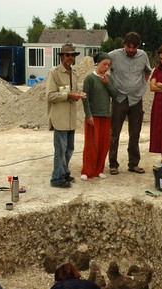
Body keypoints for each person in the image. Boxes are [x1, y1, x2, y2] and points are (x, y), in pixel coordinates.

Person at [108, 32, 152, 175]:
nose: (131, 50)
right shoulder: (113, 55)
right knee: (114, 133)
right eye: (129, 46)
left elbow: (147, 71)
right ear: (124, 45)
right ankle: (113, 164)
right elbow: (102, 65)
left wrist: (142, 85)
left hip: (136, 99)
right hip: (119, 98)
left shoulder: (143, 56)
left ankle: (133, 163)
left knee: (135, 133)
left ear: (138, 46)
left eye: (134, 47)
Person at [46, 43, 86, 188]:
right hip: (60, 118)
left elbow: (73, 91)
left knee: (69, 149)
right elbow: (50, 95)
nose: (70, 58)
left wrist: (77, 95)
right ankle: (56, 178)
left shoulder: (73, 73)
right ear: (62, 56)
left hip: (70, 117)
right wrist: (69, 95)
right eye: (68, 55)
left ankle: (64, 173)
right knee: (60, 150)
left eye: (73, 55)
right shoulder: (54, 73)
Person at [80, 52, 118, 180]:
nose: (106, 67)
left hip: (105, 115)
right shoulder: (89, 78)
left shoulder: (109, 79)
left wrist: (107, 83)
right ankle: (87, 171)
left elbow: (115, 95)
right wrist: (88, 115)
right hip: (93, 116)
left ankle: (99, 169)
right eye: (104, 64)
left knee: (103, 144)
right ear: (98, 63)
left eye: (108, 65)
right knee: (91, 144)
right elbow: (85, 98)